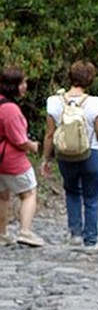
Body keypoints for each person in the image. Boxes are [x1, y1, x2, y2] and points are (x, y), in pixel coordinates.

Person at [40, 60, 98, 249]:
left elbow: (49, 134)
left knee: (71, 192)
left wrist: (46, 158)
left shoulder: (54, 102)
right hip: (91, 153)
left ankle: (75, 234)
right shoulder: (94, 103)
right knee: (92, 196)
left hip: (65, 155)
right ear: (90, 80)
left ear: (70, 77)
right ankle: (91, 239)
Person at [0, 66, 44, 247]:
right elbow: (19, 140)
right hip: (10, 159)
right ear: (14, 86)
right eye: (23, 82)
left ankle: (1, 234)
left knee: (2, 195)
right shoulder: (10, 109)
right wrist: (34, 146)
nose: (25, 86)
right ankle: (25, 231)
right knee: (29, 192)